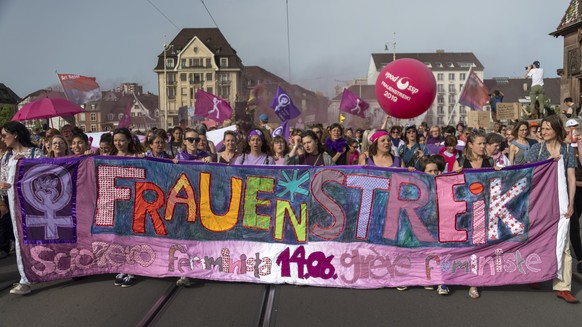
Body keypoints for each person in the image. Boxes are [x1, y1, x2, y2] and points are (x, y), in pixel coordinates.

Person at [526, 115, 579, 303]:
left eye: (547, 128)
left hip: (561, 202)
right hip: (540, 202)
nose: (543, 131)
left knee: (563, 244)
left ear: (556, 130)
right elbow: (529, 174)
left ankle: (563, 286)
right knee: (538, 240)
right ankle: (535, 274)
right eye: (542, 128)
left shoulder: (567, 150)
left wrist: (571, 203)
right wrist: (548, 162)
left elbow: (571, 177)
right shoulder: (535, 150)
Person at [452, 130, 500, 299]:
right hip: (463, 210)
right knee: (463, 246)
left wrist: (498, 173)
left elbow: (494, 184)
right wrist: (453, 174)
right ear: (470, 144)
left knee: (478, 245)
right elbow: (449, 187)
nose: (482, 146)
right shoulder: (461, 162)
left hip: (482, 209)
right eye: (479, 143)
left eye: (484, 143)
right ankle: (457, 276)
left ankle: (473, 282)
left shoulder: (488, 161)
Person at [0, 122, 45, 294]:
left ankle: (42, 268)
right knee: (19, 240)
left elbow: (46, 176)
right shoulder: (6, 157)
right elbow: (2, 178)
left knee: (37, 239)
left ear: (15, 134)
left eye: (5, 135)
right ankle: (25, 278)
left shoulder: (35, 153)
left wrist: (26, 165)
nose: (2, 138)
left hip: (34, 206)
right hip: (14, 206)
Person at [110, 128, 141, 288]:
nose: (118, 143)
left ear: (129, 141)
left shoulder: (137, 157)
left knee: (131, 236)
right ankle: (122, 266)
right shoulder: (108, 158)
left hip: (133, 202)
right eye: (116, 140)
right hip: (116, 203)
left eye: (121, 140)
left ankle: (132, 268)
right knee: (119, 236)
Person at [417, 155, 450, 295]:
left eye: (435, 171)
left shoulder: (445, 183)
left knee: (441, 252)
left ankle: (442, 282)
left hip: (441, 223)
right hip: (423, 223)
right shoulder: (417, 185)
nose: (433, 174)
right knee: (425, 252)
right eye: (429, 171)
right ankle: (426, 278)